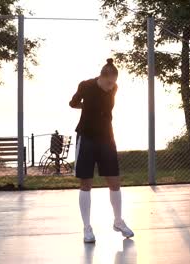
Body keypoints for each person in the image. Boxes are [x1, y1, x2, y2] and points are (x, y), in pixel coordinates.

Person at [69, 58, 134, 243]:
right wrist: (85, 106)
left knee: (114, 182)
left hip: (107, 138)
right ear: (101, 77)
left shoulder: (114, 88)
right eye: (108, 82)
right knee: (86, 184)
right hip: (86, 138)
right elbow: (72, 103)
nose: (111, 86)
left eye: (113, 82)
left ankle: (118, 221)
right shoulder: (86, 86)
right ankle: (87, 228)